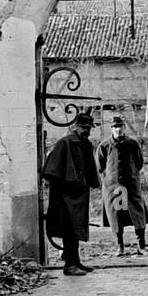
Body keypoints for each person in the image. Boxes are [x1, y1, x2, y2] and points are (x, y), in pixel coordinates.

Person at [42, 111, 100, 275]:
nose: (86, 131)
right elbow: (52, 172)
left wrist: (91, 182)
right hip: (65, 197)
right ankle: (69, 265)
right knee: (68, 229)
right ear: (75, 126)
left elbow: (89, 168)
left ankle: (76, 262)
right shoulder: (64, 143)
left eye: (89, 128)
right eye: (83, 127)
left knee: (76, 230)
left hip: (79, 195)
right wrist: (63, 191)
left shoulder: (86, 144)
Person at [97, 115, 148, 256]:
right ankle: (119, 247)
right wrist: (110, 180)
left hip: (131, 186)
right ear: (111, 129)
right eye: (115, 127)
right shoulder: (104, 146)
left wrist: (131, 176)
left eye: (120, 126)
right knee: (116, 217)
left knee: (138, 215)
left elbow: (139, 163)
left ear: (124, 128)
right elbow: (100, 166)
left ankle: (142, 246)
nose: (118, 129)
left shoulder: (132, 144)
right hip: (113, 188)